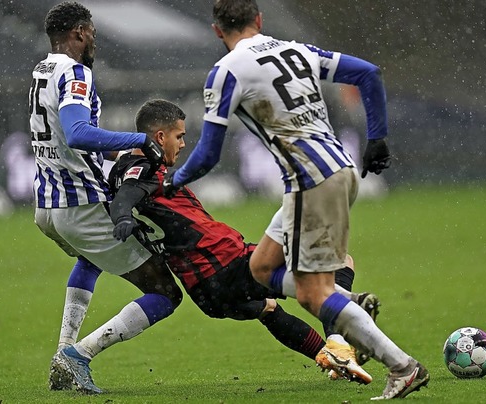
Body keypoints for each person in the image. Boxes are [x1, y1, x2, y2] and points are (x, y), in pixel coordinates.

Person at [162, 1, 429, 399]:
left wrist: (174, 180)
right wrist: (376, 137)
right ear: (260, 20)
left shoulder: (227, 70)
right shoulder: (295, 50)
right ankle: (348, 303)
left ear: (218, 31)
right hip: (338, 168)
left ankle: (402, 366)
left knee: (311, 293)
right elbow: (368, 73)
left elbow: (208, 154)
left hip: (311, 180)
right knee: (261, 266)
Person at [29, 2, 182, 394]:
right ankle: (78, 355)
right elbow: (78, 133)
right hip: (79, 204)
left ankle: (64, 352)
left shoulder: (44, 70)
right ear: (79, 33)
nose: (95, 38)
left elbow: (69, 141)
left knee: (89, 259)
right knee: (165, 293)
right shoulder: (76, 73)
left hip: (48, 206)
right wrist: (138, 140)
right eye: (92, 31)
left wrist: (121, 152)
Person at [107, 98, 329, 364]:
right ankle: (343, 338)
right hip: (224, 261)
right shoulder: (147, 170)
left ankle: (326, 356)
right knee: (327, 265)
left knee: (269, 308)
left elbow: (123, 178)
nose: (182, 144)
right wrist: (121, 216)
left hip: (203, 289)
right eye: (179, 137)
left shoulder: (124, 166)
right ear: (160, 136)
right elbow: (126, 197)